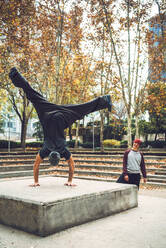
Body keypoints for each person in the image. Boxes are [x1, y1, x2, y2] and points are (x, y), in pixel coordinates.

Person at [9, 67, 112, 187]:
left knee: (80, 110)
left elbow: (71, 165)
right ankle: (15, 75)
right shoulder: (45, 150)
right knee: (33, 96)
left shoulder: (64, 151)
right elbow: (36, 165)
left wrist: (69, 181)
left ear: (59, 157)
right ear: (49, 157)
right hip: (47, 115)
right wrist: (36, 182)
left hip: (61, 117)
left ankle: (104, 100)